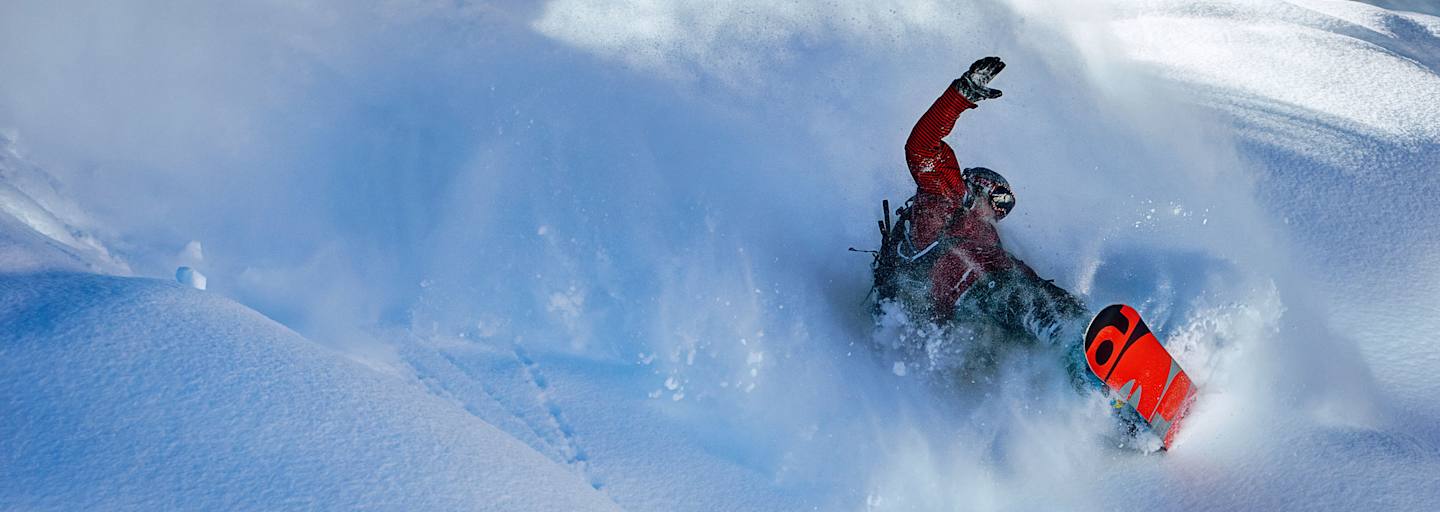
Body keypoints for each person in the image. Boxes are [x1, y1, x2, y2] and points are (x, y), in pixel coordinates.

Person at [889, 56, 1083, 340]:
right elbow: (920, 147)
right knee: (1010, 292)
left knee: (1038, 293)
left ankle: (1083, 335)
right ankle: (1056, 331)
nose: (998, 213)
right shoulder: (947, 194)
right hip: (965, 284)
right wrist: (960, 95)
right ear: (981, 186)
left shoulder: (986, 235)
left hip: (981, 302)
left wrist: (1058, 298)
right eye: (1000, 202)